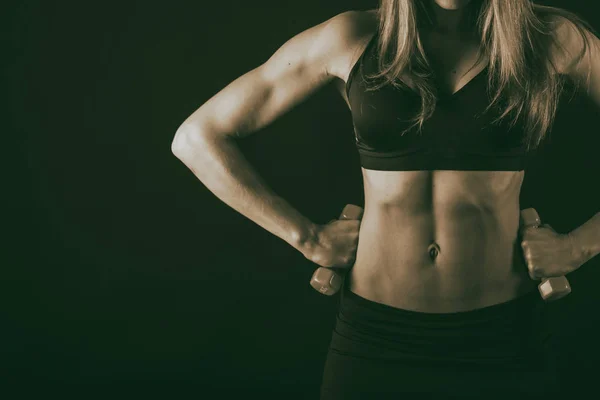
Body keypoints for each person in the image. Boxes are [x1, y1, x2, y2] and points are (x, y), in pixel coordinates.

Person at [171, 0, 600, 397]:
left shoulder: (549, 38)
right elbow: (197, 137)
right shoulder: (351, 37)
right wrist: (306, 237)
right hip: (375, 338)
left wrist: (578, 247)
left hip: (505, 339)